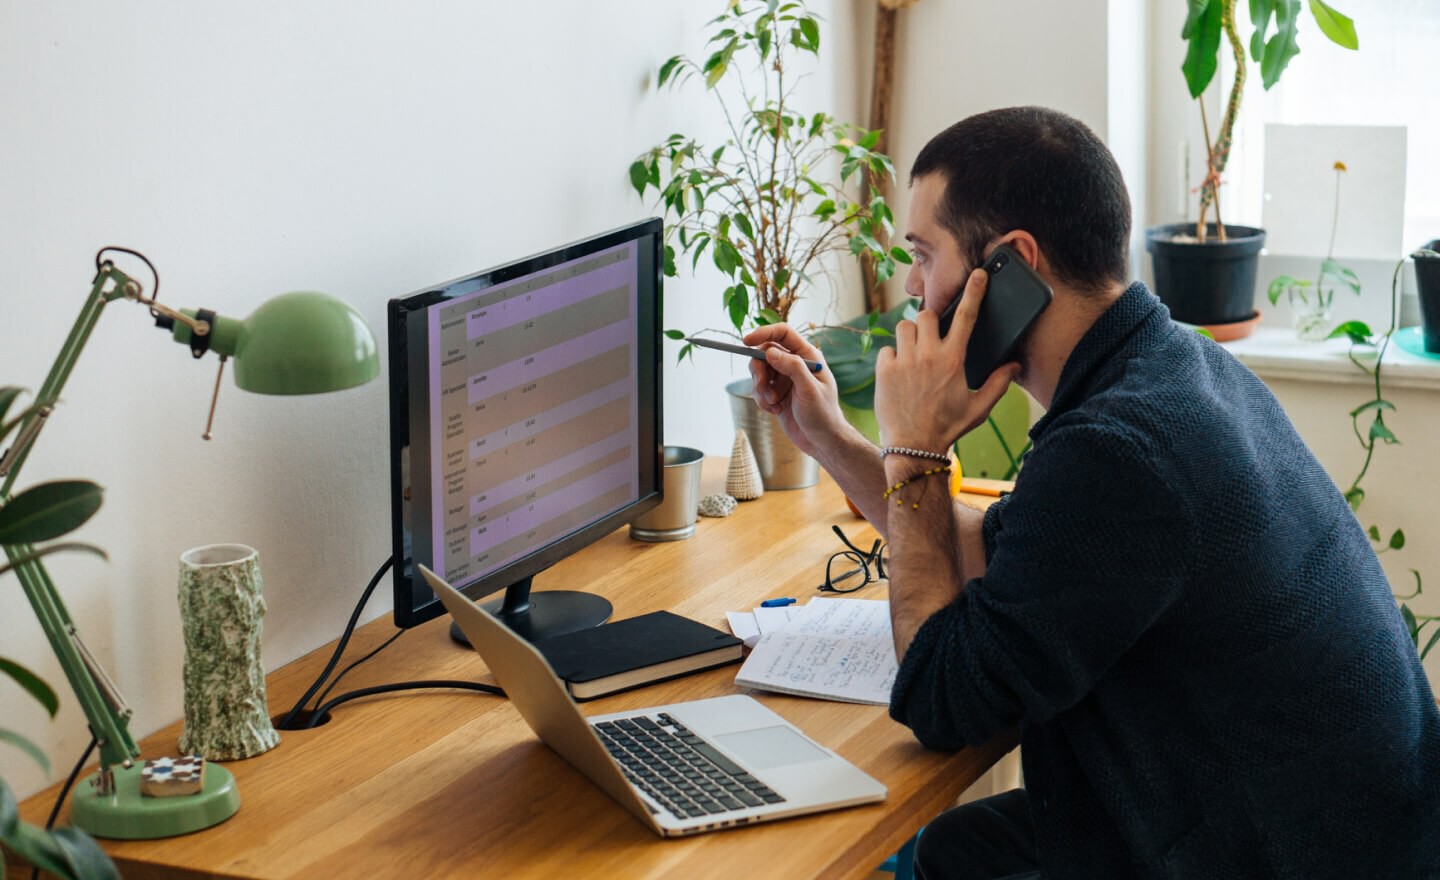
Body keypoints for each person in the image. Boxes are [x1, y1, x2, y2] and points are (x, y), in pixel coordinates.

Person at [744, 106, 1440, 878]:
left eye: (923, 254)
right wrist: (832, 440)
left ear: (1009, 264)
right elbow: (1001, 557)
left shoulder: (1121, 450)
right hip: (1312, 819)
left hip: (1285, 855)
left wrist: (918, 453)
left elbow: (939, 700)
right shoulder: (1169, 368)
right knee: (957, 849)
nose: (913, 288)